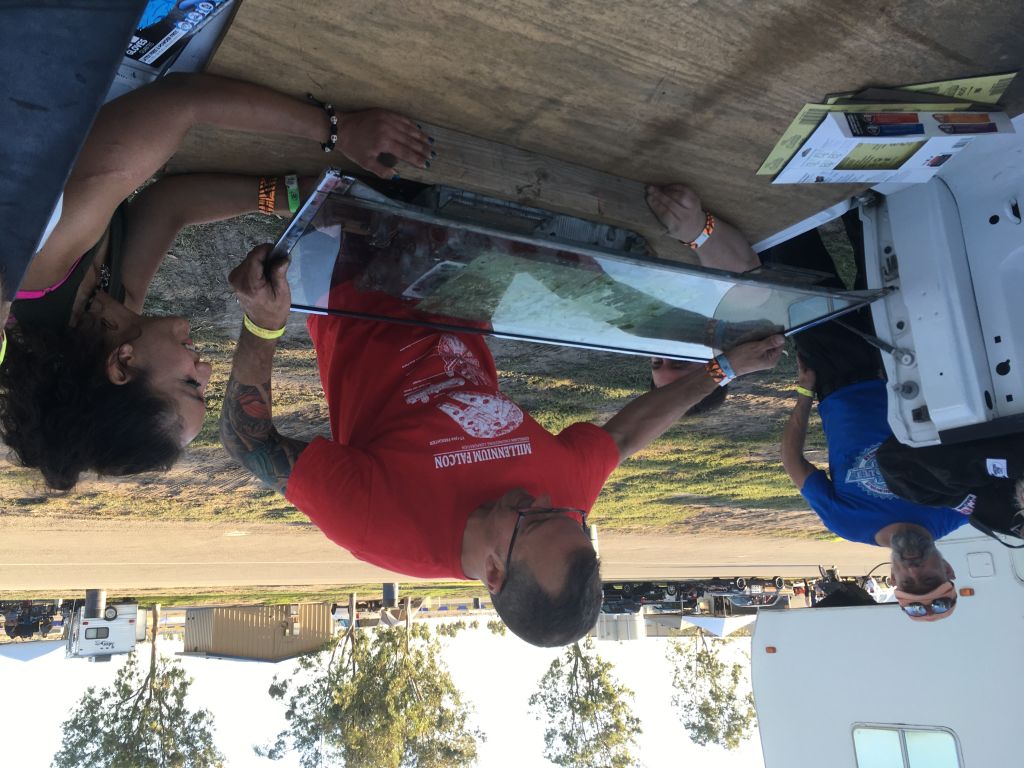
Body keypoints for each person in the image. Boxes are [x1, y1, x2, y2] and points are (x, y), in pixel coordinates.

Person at [218, 238, 785, 647]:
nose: (542, 498)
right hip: (462, 285)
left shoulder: (383, 527)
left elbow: (250, 445)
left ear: (493, 573)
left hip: (355, 289)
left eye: (533, 520)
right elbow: (624, 437)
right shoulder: (561, 512)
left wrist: (263, 324)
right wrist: (723, 370)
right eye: (569, 516)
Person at [0, 72, 432, 490]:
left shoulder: (42, 269)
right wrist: (295, 198)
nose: (206, 370)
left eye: (190, 384)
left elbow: (179, 100)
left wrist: (337, 129)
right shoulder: (106, 317)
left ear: (122, 366)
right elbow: (168, 206)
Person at [778, 230, 970, 622]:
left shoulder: (848, 524)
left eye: (909, 582)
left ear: (894, 580)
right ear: (947, 570)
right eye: (929, 578)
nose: (915, 571)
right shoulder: (962, 509)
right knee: (880, 240)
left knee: (792, 261)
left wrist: (805, 391)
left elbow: (792, 461)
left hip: (836, 372)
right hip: (908, 363)